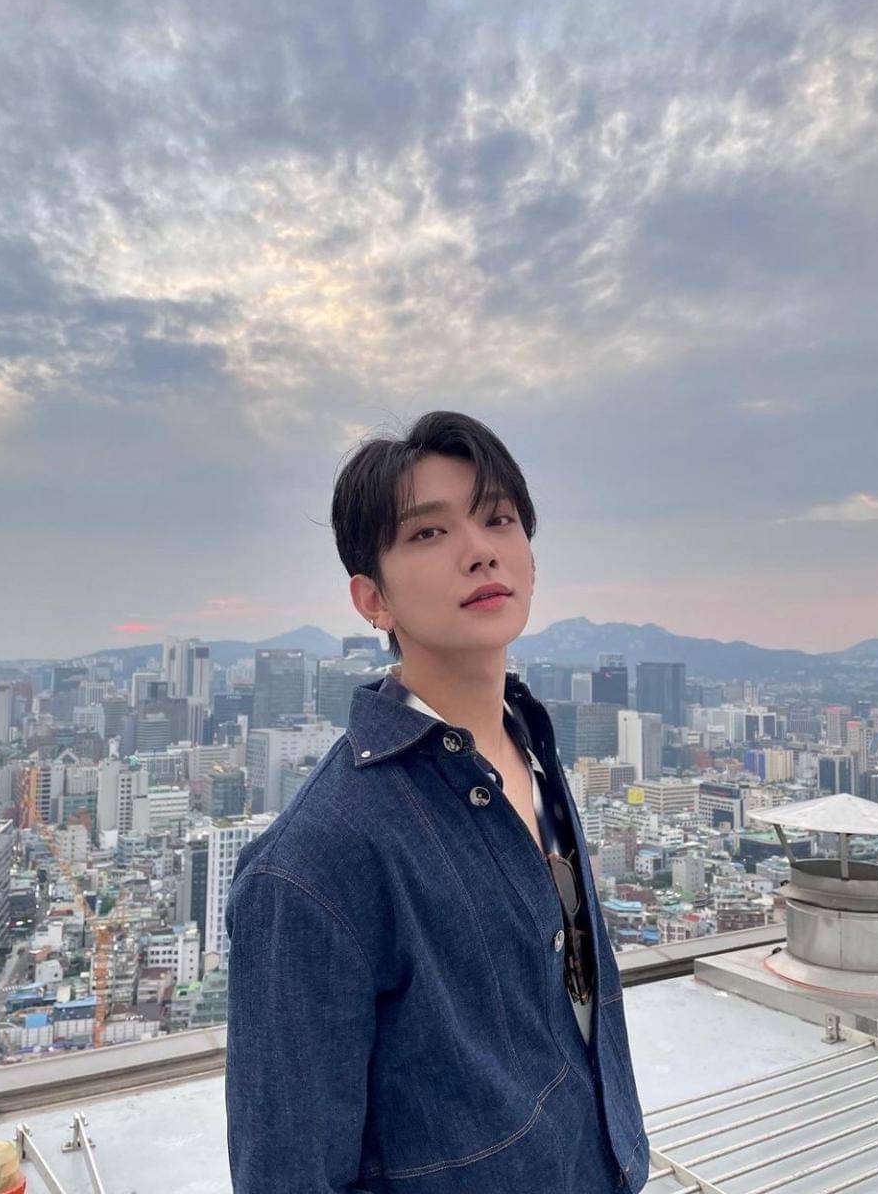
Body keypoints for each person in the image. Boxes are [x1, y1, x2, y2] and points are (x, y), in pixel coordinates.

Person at [224, 410, 650, 1192]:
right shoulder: (315, 862)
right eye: (428, 532)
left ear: (530, 560)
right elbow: (288, 1172)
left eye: (499, 519)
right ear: (372, 599)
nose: (480, 549)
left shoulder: (531, 744)